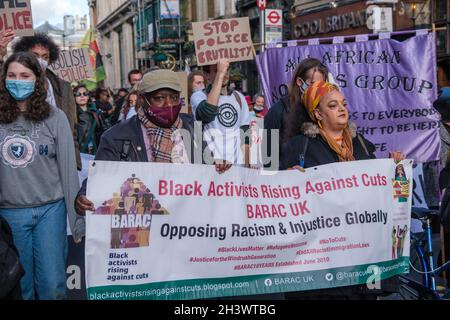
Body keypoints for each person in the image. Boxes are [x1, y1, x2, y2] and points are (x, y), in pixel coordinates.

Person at [281, 80, 405, 299]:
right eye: (333, 105)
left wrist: (394, 168)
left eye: (344, 103)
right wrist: (289, 179)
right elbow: (278, 194)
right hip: (325, 259)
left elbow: (378, 190)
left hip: (364, 257)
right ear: (318, 114)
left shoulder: (361, 144)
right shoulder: (300, 146)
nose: (342, 109)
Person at [75, 69, 231, 216]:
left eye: (174, 97)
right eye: (160, 98)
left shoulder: (191, 128)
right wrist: (84, 197)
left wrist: (218, 167)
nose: (169, 104)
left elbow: (206, 169)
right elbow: (101, 178)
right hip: (142, 225)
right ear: (143, 100)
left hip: (188, 223)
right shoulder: (117, 136)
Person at [0, 52, 83, 299]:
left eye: (25, 75)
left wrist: (78, 221)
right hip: (9, 214)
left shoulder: (56, 118)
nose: (18, 80)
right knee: (19, 286)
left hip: (50, 212)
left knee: (53, 286)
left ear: (38, 80)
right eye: (12, 75)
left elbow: (69, 172)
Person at [0, 31, 82, 169]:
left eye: (45, 57)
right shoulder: (15, 84)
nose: (40, 60)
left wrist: (75, 164)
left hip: (55, 159)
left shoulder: (63, 86)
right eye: (35, 55)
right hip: (20, 156)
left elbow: (71, 129)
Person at [263, 58, 332, 170]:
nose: (317, 90)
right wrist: (287, 171)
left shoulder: (324, 111)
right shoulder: (278, 111)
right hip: (289, 183)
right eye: (313, 84)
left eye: (321, 85)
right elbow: (268, 160)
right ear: (300, 82)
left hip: (320, 182)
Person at [191, 58, 251, 167]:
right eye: (216, 70)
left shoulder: (239, 98)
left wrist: (247, 165)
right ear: (207, 75)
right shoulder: (199, 96)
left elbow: (245, 133)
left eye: (226, 70)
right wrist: (220, 74)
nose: (224, 73)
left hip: (237, 167)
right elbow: (207, 113)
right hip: (212, 166)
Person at [74, 84, 101, 155]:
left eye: (85, 93)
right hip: (80, 153)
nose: (82, 96)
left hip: (95, 152)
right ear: (74, 97)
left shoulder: (96, 113)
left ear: (88, 96)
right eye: (78, 94)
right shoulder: (71, 115)